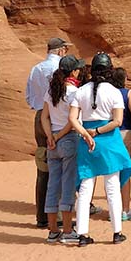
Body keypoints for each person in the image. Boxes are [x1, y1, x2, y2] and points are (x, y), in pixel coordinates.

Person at [69, 53, 131, 246]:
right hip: (109, 141)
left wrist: (86, 134)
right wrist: (97, 131)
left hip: (88, 142)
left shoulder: (80, 91)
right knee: (112, 187)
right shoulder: (114, 91)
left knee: (86, 187)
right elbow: (118, 121)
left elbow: (72, 119)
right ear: (109, 70)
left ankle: (82, 234)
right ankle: (116, 232)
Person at [26, 36, 71, 229]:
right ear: (61, 51)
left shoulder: (35, 69)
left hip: (39, 116)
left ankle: (42, 216)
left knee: (43, 164)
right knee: (62, 163)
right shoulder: (61, 70)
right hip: (57, 117)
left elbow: (29, 96)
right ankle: (59, 215)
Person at [41, 55, 83, 243]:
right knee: (67, 185)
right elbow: (72, 121)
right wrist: (58, 136)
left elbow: (44, 117)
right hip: (68, 139)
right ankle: (67, 230)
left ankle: (52, 230)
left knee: (53, 185)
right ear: (73, 71)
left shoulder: (52, 91)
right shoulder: (75, 92)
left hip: (53, 142)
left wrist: (50, 136)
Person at [111, 67, 131, 221]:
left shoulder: (108, 93)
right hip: (126, 133)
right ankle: (125, 210)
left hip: (110, 134)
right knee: (126, 172)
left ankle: (114, 210)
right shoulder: (127, 93)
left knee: (112, 174)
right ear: (124, 79)